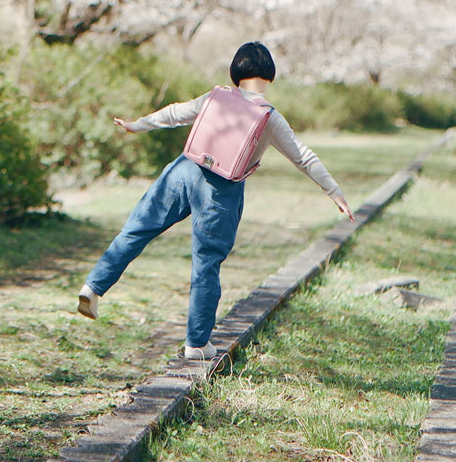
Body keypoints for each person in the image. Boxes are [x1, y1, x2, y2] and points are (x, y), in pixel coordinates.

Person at [76, 41, 354, 360]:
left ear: (236, 72)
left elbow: (174, 113)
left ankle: (93, 287)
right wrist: (334, 192)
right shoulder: (268, 116)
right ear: (269, 77)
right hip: (220, 189)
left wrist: (137, 125)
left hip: (183, 170)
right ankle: (197, 342)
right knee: (206, 262)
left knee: (136, 230)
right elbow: (303, 157)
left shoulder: (215, 96)